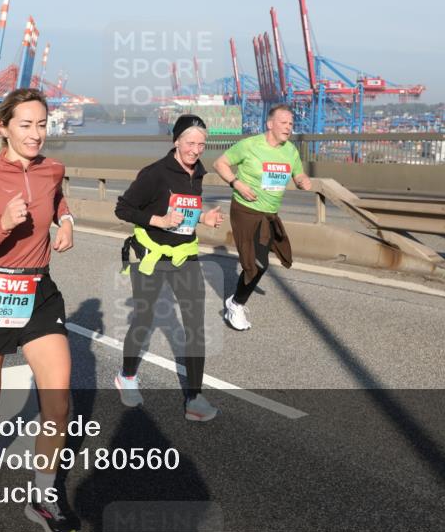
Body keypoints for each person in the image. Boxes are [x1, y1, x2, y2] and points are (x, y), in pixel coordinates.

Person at [0, 88, 77, 532]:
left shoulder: (52, 169)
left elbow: (57, 198)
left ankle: (43, 496)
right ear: (3, 127)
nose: (36, 134)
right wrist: (1, 225)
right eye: (26, 125)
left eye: (42, 124)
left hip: (39, 294)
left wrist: (66, 221)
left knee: (58, 403)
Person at [114, 114, 224, 422]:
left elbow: (185, 210)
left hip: (185, 257)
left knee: (195, 326)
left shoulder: (197, 173)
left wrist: (203, 218)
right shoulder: (155, 174)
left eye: (201, 144)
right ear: (176, 141)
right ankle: (127, 375)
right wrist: (159, 221)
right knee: (144, 319)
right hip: (152, 256)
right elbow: (123, 208)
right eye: (190, 143)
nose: (196, 150)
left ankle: (194, 397)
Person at [212, 105, 312, 331]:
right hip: (245, 210)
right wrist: (236, 183)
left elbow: (298, 174)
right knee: (257, 263)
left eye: (291, 123)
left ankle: (235, 301)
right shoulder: (250, 145)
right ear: (270, 124)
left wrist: (302, 180)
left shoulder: (290, 151)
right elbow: (220, 163)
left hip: (269, 214)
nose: (288, 127)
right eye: (283, 122)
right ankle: (236, 305)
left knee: (258, 263)